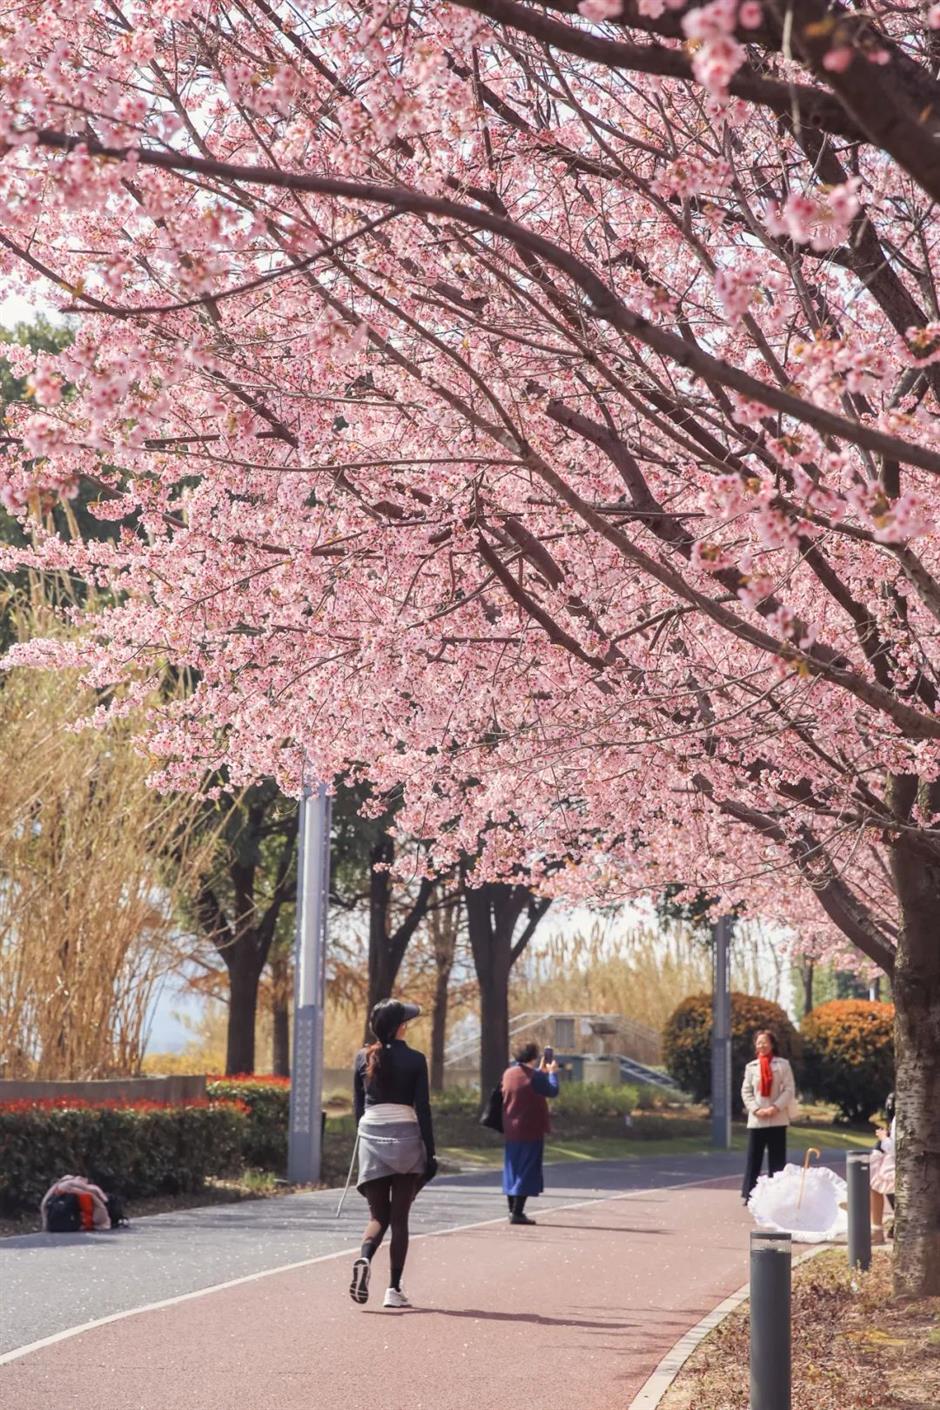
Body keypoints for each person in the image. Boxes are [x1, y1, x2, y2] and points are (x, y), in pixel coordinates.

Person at [349, 998, 437, 1309]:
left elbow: (358, 1109)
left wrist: (360, 1143)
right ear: (400, 1026)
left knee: (377, 1216)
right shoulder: (415, 1059)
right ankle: (393, 1289)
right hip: (405, 1138)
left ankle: (363, 1258)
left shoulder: (363, 1057)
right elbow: (422, 1109)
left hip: (371, 1136)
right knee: (399, 1219)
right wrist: (431, 1152)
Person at [501, 1041, 559, 1225]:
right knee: (526, 1171)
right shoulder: (535, 1077)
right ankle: (518, 1212)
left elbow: (527, 1087)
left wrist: (540, 1072)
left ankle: (512, 1210)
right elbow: (552, 1090)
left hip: (511, 1129)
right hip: (530, 1129)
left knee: (513, 1169)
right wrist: (551, 1073)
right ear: (533, 1057)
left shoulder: (509, 1073)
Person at [740, 1029, 796, 1203]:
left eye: (765, 1042)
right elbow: (746, 1090)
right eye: (758, 1042)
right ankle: (749, 1194)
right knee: (753, 1158)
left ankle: (777, 1194)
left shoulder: (783, 1065)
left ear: (772, 1044)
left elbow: (789, 1089)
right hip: (757, 1119)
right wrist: (756, 1109)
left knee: (777, 1160)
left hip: (777, 1118)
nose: (761, 1045)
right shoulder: (751, 1067)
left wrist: (775, 1107)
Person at [869, 1099, 896, 1244]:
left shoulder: (904, 1118)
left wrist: (884, 1138)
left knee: (875, 1180)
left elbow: (895, 1149)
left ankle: (877, 1229)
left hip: (904, 1170)